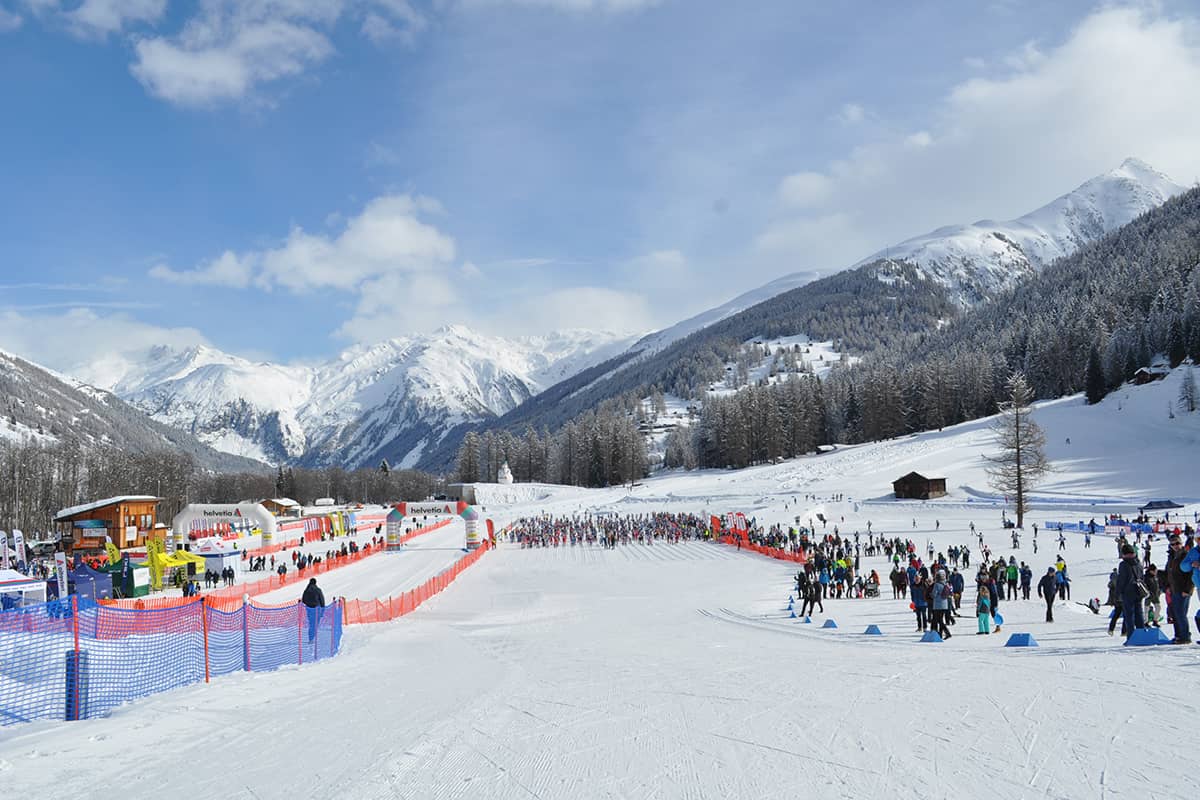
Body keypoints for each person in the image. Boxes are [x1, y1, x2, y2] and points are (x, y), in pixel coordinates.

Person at [1165, 534, 1193, 644]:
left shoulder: (1186, 555)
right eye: (1173, 544)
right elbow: (1169, 573)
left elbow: (1191, 574)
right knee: (1175, 614)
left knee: (1181, 614)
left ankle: (1185, 636)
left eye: (1177, 543)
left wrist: (1188, 590)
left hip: (1183, 590)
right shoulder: (1171, 556)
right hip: (1174, 589)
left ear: (1181, 543)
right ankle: (1179, 636)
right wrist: (1166, 586)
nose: (1175, 546)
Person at [1114, 544, 1146, 639]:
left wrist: (1117, 594)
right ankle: (1142, 636)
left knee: (1129, 616)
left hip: (1128, 593)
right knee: (1139, 614)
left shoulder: (1124, 565)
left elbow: (1122, 580)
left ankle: (1131, 637)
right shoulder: (1138, 563)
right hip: (1138, 592)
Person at [301, 577, 326, 642]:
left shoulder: (306, 590)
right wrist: (323, 610)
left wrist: (308, 604)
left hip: (309, 609)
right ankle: (314, 637)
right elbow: (322, 600)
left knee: (311, 623)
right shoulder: (318, 590)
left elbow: (303, 600)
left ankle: (311, 638)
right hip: (317, 609)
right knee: (316, 623)